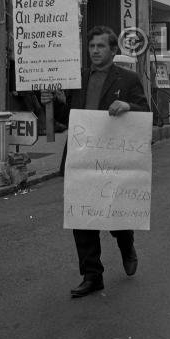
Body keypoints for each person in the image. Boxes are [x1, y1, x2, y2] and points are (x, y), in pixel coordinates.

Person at [41, 25, 150, 299]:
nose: (95, 51)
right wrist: (51, 102)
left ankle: (126, 244)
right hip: (81, 158)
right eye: (91, 47)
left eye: (101, 46)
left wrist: (128, 107)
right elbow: (69, 118)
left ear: (114, 50)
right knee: (82, 216)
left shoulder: (128, 79)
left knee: (114, 214)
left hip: (113, 160)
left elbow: (146, 114)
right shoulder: (78, 78)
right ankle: (92, 276)